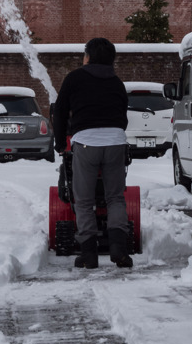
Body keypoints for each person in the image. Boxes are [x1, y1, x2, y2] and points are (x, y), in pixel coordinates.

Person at [52, 37, 132, 269]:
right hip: (116, 142)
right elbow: (123, 116)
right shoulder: (117, 82)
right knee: (115, 197)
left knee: (84, 200)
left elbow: (60, 111)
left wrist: (59, 143)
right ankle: (119, 248)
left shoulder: (75, 78)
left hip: (86, 143)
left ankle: (89, 253)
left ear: (88, 56)